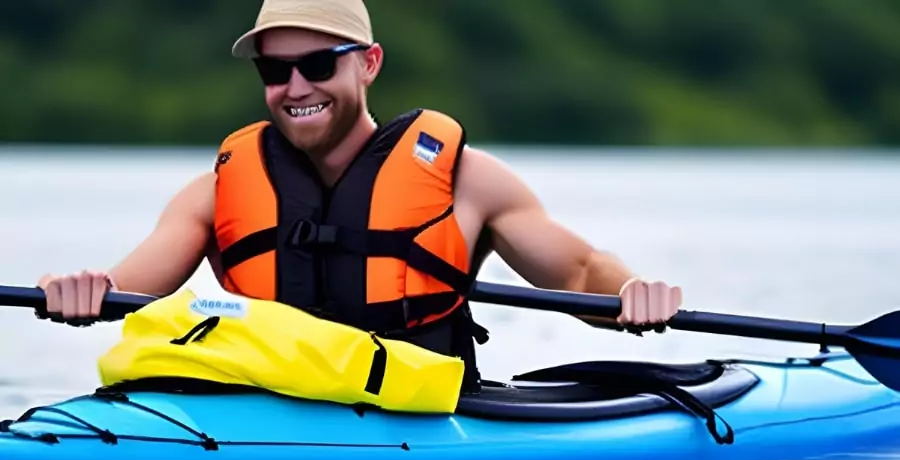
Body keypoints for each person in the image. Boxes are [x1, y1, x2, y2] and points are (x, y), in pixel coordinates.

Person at [36, 0, 682, 392]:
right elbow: (131, 290)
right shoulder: (215, 191)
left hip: (418, 410)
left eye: (318, 66)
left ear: (368, 64)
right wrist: (84, 292)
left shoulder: (469, 180)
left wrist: (630, 293)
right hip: (266, 409)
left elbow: (580, 275)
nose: (295, 87)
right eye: (274, 70)